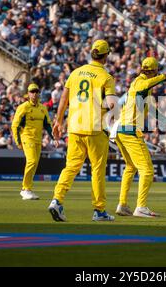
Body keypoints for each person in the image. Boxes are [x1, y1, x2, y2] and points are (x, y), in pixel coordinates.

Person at [48, 39, 117, 222]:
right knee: (97, 170)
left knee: (70, 167)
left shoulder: (76, 73)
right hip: (95, 129)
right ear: (106, 56)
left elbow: (64, 98)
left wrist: (58, 121)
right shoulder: (106, 77)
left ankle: (57, 199)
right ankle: (99, 210)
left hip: (75, 127)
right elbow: (111, 104)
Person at [112, 57, 166, 218]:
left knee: (131, 167)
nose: (159, 73)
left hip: (121, 130)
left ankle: (122, 204)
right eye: (157, 70)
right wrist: (165, 76)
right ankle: (140, 207)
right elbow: (144, 86)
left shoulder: (142, 87)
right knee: (147, 170)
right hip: (130, 131)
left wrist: (165, 121)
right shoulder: (139, 82)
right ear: (152, 71)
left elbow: (151, 107)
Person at [11, 83, 55, 200]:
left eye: (36, 91)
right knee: (32, 161)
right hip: (26, 137)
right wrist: (18, 141)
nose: (34, 94)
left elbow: (48, 125)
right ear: (28, 94)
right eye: (32, 91)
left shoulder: (42, 108)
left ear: (39, 93)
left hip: (38, 139)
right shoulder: (23, 107)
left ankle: (28, 189)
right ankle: (25, 189)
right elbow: (15, 125)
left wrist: (54, 138)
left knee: (35, 163)